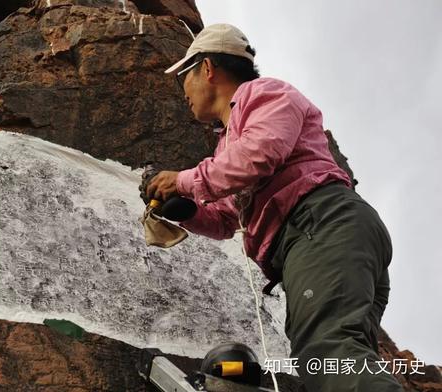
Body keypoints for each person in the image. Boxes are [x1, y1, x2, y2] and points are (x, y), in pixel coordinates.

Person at [143, 23, 404, 391]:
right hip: (326, 233)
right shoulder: (227, 145)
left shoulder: (265, 93)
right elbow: (223, 219)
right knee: (332, 357)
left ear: (206, 68)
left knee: (328, 352)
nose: (182, 89)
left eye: (183, 75)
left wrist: (182, 180)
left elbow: (258, 156)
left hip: (320, 224)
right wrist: (184, 210)